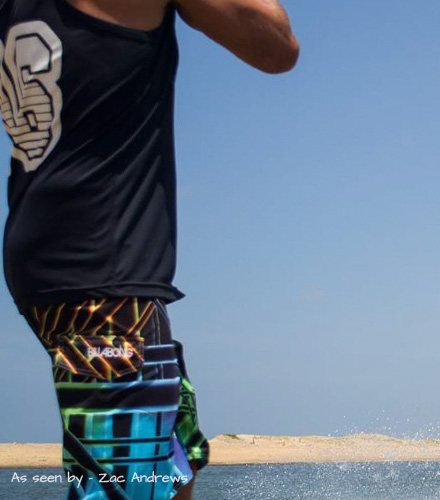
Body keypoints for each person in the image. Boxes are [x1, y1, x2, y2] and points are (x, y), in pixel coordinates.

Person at [1, 0, 298, 499]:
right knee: (129, 488)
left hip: (53, 262)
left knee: (175, 472)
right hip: (105, 281)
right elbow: (276, 45)